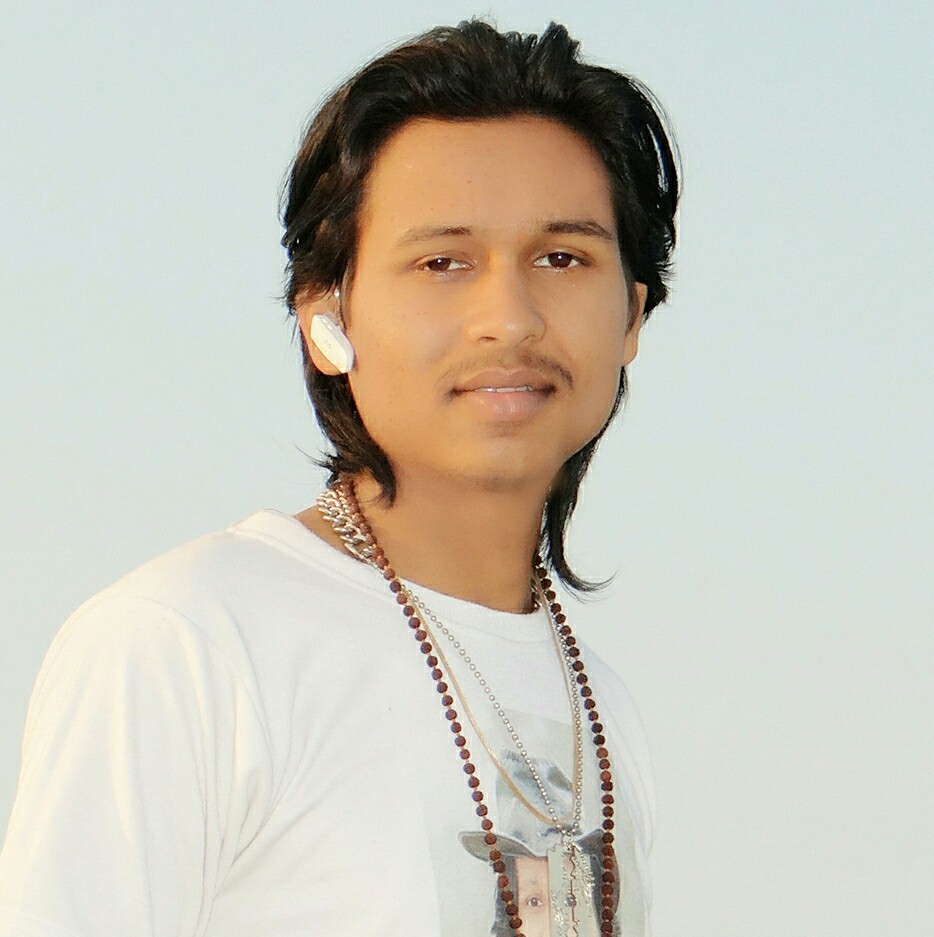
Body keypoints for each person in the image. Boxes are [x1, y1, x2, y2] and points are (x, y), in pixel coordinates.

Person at [0, 19, 678, 937]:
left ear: (631, 316)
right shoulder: (185, 643)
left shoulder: (604, 707)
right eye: (443, 262)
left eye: (562, 258)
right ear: (328, 319)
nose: (510, 317)